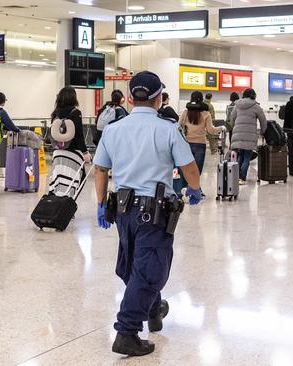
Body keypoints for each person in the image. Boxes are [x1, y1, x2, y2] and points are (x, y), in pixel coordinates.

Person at [93, 71, 202, 357]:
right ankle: (126, 331)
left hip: (124, 210)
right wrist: (195, 188)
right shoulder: (167, 129)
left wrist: (101, 202)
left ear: (130, 98)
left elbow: (101, 169)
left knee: (136, 265)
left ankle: (154, 310)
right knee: (151, 269)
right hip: (153, 211)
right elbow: (189, 166)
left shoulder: (114, 129)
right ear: (158, 98)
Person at [179, 91, 226, 190]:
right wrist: (221, 128)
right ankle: (193, 189)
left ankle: (183, 190)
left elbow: (178, 126)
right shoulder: (206, 114)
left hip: (186, 144)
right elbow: (211, 130)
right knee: (197, 170)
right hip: (200, 144)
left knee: (186, 168)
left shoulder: (185, 112)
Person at [230, 88, 267, 183]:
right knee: (247, 156)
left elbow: (232, 119)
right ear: (253, 95)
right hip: (250, 136)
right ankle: (242, 177)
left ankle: (236, 176)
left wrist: (235, 129)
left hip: (238, 134)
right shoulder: (256, 106)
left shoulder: (237, 105)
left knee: (240, 155)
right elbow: (263, 121)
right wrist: (263, 131)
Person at [51, 86, 92, 162]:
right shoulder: (76, 112)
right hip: (73, 152)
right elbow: (79, 135)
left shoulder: (55, 113)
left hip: (58, 151)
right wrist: (85, 152)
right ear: (73, 98)